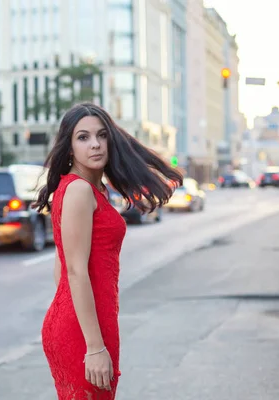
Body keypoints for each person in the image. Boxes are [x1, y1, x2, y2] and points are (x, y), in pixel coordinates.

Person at [33, 102, 183, 399]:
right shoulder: (78, 190)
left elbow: (60, 266)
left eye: (102, 136)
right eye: (83, 137)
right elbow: (74, 271)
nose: (96, 144)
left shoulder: (89, 188)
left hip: (84, 322)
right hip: (85, 333)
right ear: (69, 145)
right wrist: (93, 345)